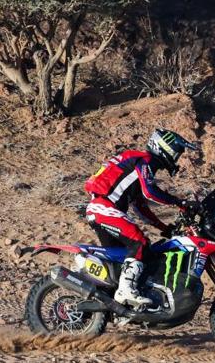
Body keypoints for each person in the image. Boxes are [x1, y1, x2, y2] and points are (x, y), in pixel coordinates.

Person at [83, 129, 199, 309]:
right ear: (164, 147)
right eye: (176, 152)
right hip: (103, 207)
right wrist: (179, 202)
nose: (177, 157)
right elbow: (150, 192)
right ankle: (126, 290)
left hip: (101, 209)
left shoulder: (137, 171)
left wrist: (164, 227)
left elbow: (140, 207)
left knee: (125, 259)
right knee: (139, 242)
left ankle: (111, 303)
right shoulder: (145, 160)